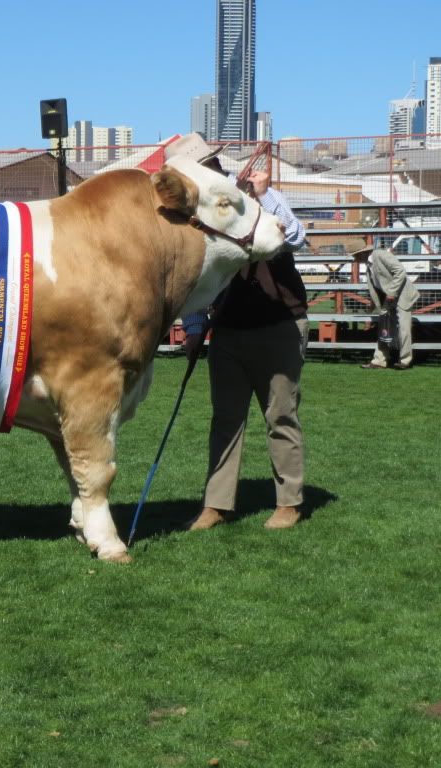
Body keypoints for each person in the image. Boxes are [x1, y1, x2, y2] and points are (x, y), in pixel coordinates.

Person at [172, 135, 310, 532]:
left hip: (279, 322)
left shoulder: (254, 193)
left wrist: (265, 198)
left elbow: (296, 237)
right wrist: (195, 328)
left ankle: (289, 502)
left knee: (281, 414)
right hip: (228, 326)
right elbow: (194, 275)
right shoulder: (196, 211)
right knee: (226, 418)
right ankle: (216, 504)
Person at [354, 244, 420, 370]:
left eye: (356, 255)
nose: (355, 259)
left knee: (404, 329)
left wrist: (391, 292)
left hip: (402, 296)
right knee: (384, 328)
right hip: (388, 298)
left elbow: (400, 271)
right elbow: (377, 286)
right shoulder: (369, 264)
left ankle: (405, 360)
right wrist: (373, 304)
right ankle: (379, 361)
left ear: (362, 253)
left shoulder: (381, 254)